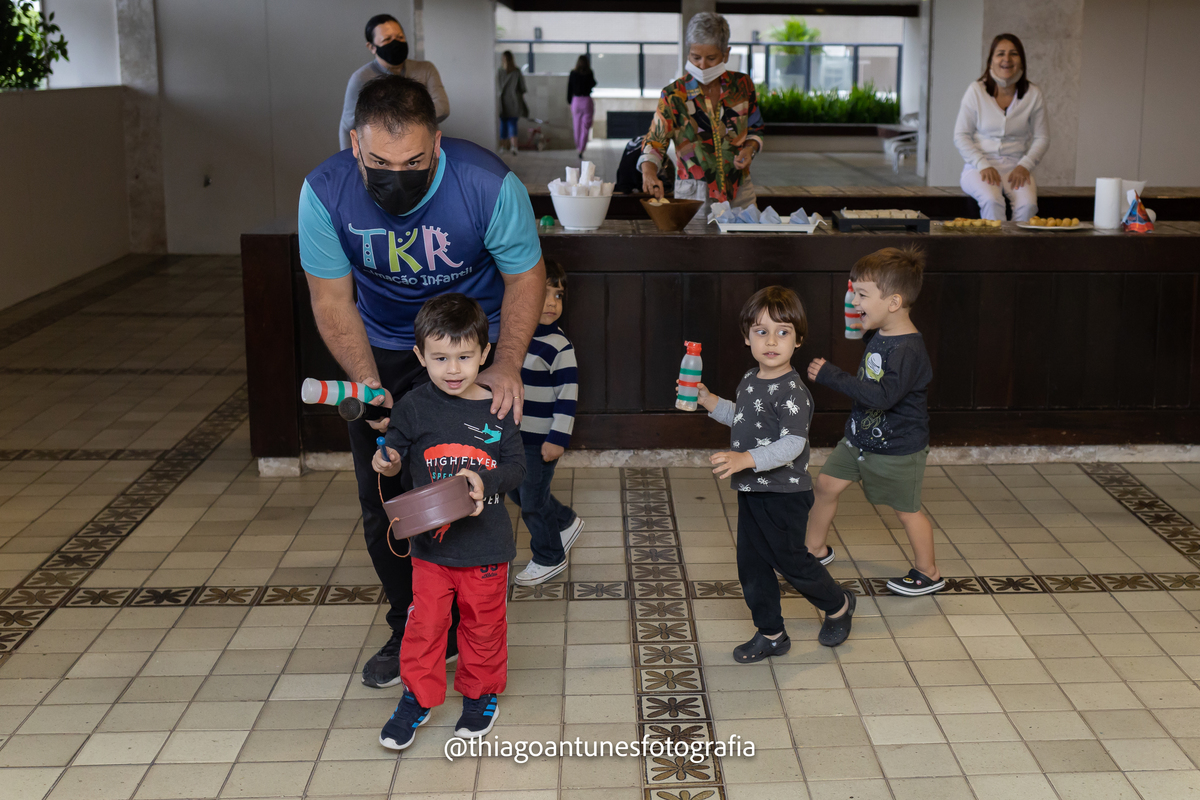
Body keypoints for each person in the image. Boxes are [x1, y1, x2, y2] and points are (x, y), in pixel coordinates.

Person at [299, 75, 545, 689]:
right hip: (381, 347)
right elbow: (332, 300)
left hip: (469, 347)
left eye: (413, 161)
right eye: (380, 161)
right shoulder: (324, 193)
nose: (396, 174)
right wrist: (367, 383)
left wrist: (506, 363)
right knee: (384, 495)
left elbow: (524, 278)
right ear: (355, 143)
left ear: (437, 143)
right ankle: (410, 621)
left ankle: (472, 622)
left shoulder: (487, 184)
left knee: (470, 482)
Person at [373, 294, 525, 749]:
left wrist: (485, 481)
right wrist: (389, 460)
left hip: (486, 548)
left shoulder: (497, 409)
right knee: (425, 626)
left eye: (464, 357)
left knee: (482, 625)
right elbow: (394, 450)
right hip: (431, 551)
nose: (453, 369)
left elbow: (517, 468)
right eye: (440, 358)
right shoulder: (414, 407)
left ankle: (479, 695)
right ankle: (417, 697)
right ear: (420, 356)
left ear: (485, 353)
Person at [692, 286, 856, 661]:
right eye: (761, 331)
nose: (771, 340)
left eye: (782, 332)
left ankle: (839, 605)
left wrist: (745, 459)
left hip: (785, 494)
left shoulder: (793, 392)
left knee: (792, 562)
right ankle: (771, 633)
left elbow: (791, 445)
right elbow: (744, 418)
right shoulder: (751, 379)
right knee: (751, 565)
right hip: (753, 491)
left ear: (798, 340)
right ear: (746, 336)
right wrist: (709, 401)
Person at [806, 247, 942, 597]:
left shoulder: (908, 350)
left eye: (862, 295)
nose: (854, 300)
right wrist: (863, 313)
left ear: (894, 302)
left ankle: (928, 572)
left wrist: (832, 376)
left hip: (897, 450)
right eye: (855, 292)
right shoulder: (883, 333)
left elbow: (883, 396)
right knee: (825, 487)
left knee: (907, 512)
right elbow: (870, 348)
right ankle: (813, 550)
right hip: (858, 441)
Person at [640, 12, 763, 215]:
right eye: (695, 57)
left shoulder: (742, 86)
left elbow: (756, 128)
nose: (702, 65)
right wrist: (649, 171)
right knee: (697, 246)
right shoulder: (674, 94)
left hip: (740, 190)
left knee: (745, 244)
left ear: (726, 54)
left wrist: (750, 149)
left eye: (711, 58)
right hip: (693, 195)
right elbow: (655, 140)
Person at [510, 260, 583, 586]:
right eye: (543, 294)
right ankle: (565, 520)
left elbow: (568, 396)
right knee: (517, 492)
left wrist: (558, 438)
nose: (552, 303)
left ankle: (549, 556)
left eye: (558, 295)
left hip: (540, 440)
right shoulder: (514, 338)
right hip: (514, 436)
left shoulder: (558, 346)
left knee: (532, 502)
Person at [953, 33, 1049, 222]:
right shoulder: (976, 91)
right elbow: (961, 135)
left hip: (1016, 167)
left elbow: (1042, 137)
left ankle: (1017, 250)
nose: (1007, 59)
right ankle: (993, 251)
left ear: (1021, 61)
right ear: (991, 61)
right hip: (978, 167)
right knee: (992, 200)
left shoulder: (1033, 94)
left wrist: (1025, 166)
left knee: (1028, 205)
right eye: (1000, 54)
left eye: (1013, 54)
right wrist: (982, 164)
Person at [339, 14, 450, 150]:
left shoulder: (426, 69)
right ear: (372, 47)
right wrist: (348, 162)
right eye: (387, 39)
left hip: (422, 150)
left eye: (400, 37)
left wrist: (390, 121)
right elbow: (347, 126)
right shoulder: (361, 78)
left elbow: (442, 108)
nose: (395, 43)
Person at [497, 51, 528, 156]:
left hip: (503, 103)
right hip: (515, 103)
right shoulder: (517, 71)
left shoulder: (500, 71)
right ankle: (514, 147)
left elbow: (497, 87)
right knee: (513, 124)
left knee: (503, 125)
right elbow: (522, 88)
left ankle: (503, 147)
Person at [567, 55, 597, 158]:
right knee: (585, 127)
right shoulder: (589, 73)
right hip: (587, 101)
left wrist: (569, 101)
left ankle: (578, 146)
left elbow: (569, 88)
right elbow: (593, 83)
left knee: (577, 126)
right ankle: (581, 148)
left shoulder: (573, 73)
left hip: (576, 101)